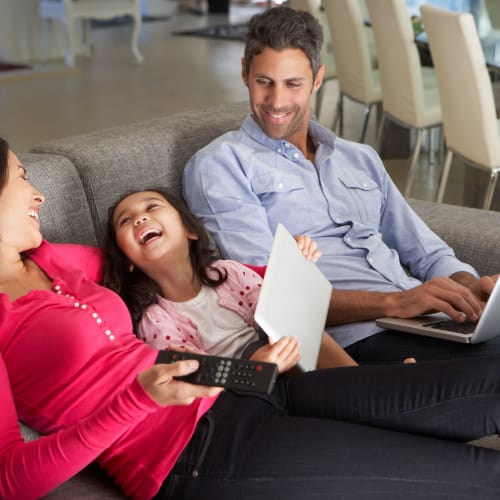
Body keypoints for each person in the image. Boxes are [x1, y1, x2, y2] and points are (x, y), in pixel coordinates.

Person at [2, 139, 500, 499]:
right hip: (192, 455)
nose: (38, 194)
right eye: (22, 178)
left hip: (248, 386)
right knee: (477, 475)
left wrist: (286, 269)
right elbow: (11, 479)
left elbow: (192, 266)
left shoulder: (54, 257)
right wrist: (136, 400)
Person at [182, 5, 500, 364]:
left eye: (293, 84)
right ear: (244, 73)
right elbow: (268, 294)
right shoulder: (222, 164)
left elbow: (427, 252)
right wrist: (397, 303)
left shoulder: (359, 157)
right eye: (264, 82)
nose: (276, 101)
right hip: (356, 340)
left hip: (429, 322)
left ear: (318, 79)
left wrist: (469, 287)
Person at [103, 187, 358, 372]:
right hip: (245, 386)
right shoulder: (155, 320)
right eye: (125, 221)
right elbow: (196, 377)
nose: (140, 218)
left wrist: (294, 267)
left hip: (281, 350)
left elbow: (277, 312)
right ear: (128, 260)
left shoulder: (229, 273)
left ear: (189, 231)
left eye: (152, 207)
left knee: (298, 333)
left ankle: (361, 378)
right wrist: (256, 367)